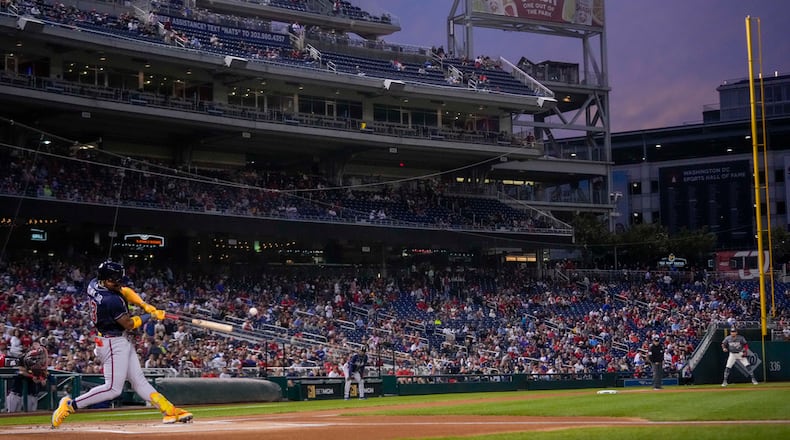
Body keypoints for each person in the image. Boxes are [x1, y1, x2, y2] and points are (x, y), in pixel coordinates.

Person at [51, 261, 193, 428]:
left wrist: (145, 305)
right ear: (105, 279)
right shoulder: (110, 300)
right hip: (111, 342)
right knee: (113, 389)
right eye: (114, 280)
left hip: (119, 340)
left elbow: (124, 291)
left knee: (139, 381)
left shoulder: (95, 284)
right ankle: (70, 405)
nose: (118, 283)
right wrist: (150, 316)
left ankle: (169, 410)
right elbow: (129, 324)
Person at [6, 344, 48, 412]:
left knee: (21, 414)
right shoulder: (21, 363)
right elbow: (20, 371)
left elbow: (39, 379)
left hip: (26, 395)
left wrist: (41, 378)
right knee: (10, 414)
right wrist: (33, 376)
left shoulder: (35, 366)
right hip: (14, 394)